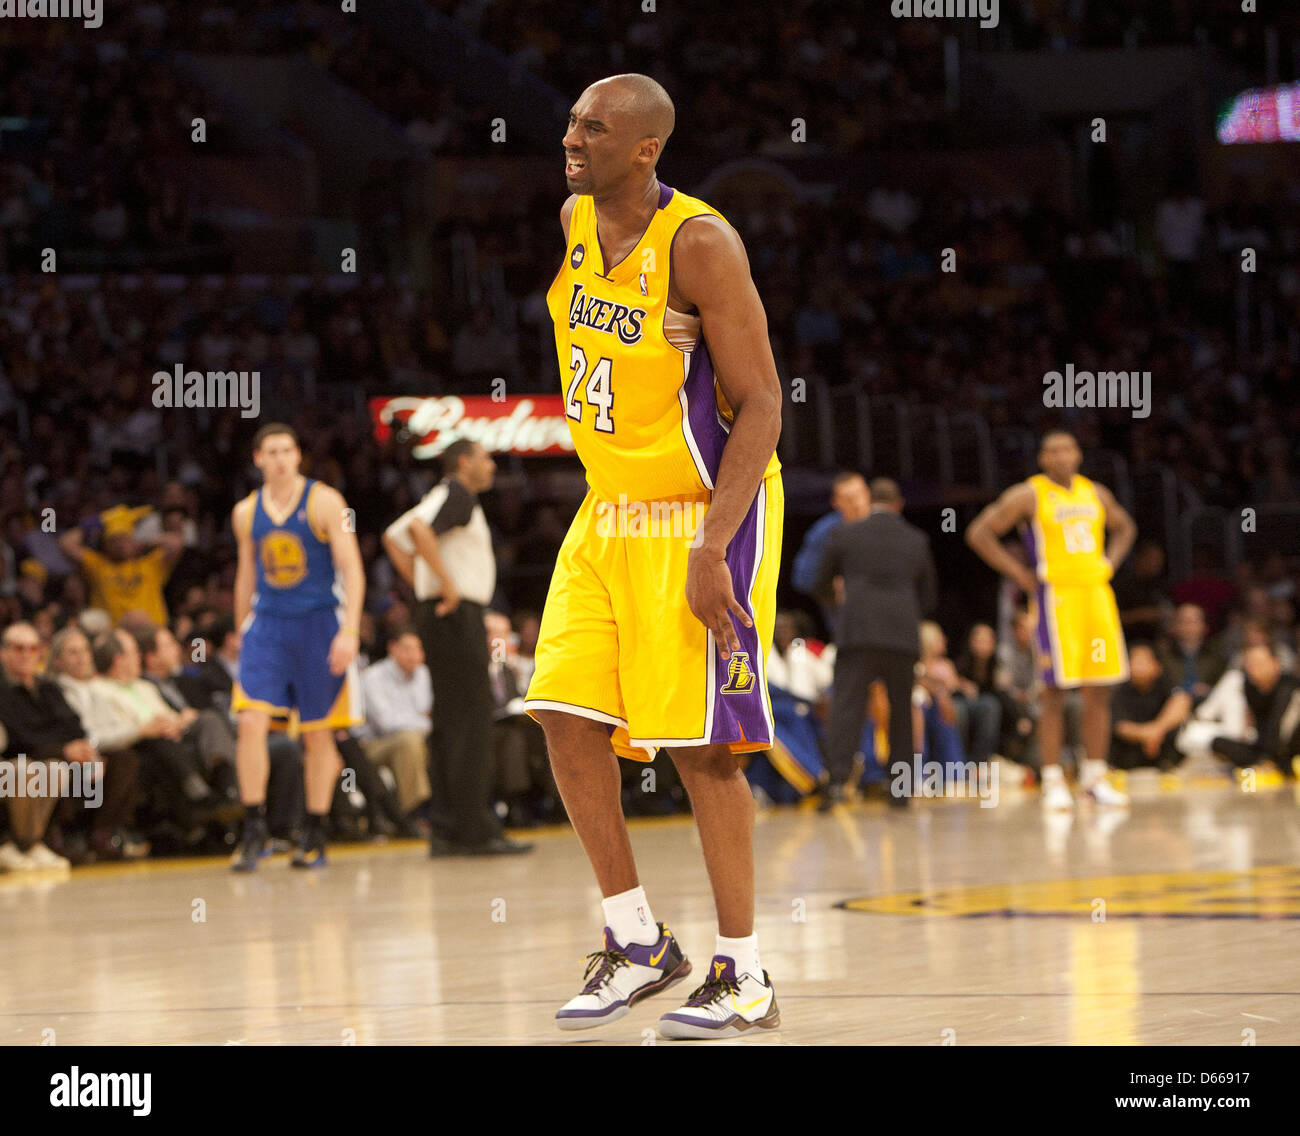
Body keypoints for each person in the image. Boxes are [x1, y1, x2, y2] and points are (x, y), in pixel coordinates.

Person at [522, 74, 784, 1039]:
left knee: (702, 747)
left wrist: (717, 542)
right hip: (609, 507)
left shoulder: (700, 243)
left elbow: (761, 401)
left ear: (646, 150)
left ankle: (744, 971)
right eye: (573, 121)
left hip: (699, 509)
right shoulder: (574, 220)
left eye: (594, 127)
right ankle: (637, 943)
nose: (571, 137)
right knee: (561, 710)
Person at [966, 430, 1135, 809]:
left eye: (1068, 449)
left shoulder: (1096, 493)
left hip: (1095, 595)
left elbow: (1125, 528)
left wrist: (1109, 562)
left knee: (1100, 690)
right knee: (1054, 692)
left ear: (1078, 454)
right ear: (1042, 459)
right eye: (1052, 451)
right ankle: (1053, 777)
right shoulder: (1028, 494)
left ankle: (1095, 776)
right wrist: (1019, 573)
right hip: (1054, 598)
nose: (1061, 456)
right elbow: (979, 533)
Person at [383, 439, 531, 856]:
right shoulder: (458, 494)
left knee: (450, 722)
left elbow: (394, 537)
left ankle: (447, 829)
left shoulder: (439, 496)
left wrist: (425, 587)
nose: (491, 466)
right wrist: (445, 586)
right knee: (473, 720)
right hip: (457, 614)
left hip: (440, 615)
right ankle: (476, 830)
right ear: (464, 462)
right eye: (485, 459)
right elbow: (414, 532)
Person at [229, 423, 365, 870]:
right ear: (258, 459)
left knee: (318, 733)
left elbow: (352, 569)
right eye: (273, 451)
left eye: (289, 449)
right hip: (267, 624)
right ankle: (254, 828)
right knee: (250, 722)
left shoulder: (325, 501)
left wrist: (349, 631)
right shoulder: (246, 512)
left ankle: (314, 829)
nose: (282, 458)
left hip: (318, 623)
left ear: (298, 456)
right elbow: (246, 574)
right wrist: (241, 629)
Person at [816, 477, 937, 810]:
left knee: (847, 708)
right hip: (901, 638)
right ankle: (899, 791)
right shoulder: (917, 539)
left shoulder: (845, 534)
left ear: (871, 503)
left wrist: (839, 600)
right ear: (899, 506)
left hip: (858, 634)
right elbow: (928, 597)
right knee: (900, 712)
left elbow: (819, 582)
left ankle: (837, 784)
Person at [0, 621, 90, 870]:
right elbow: (18, 735)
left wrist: (77, 748)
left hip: (40, 756)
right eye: (19, 648)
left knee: (56, 769)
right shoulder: (3, 688)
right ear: (3, 652)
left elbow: (73, 725)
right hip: (15, 759)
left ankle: (29, 845)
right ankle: (21, 844)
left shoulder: (48, 687)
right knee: (23, 769)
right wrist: (62, 748)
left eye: (32, 648)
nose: (27, 654)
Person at [58, 505, 183, 627]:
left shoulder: (149, 564)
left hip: (152, 631)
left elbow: (176, 543)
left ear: (133, 540)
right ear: (105, 545)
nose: (120, 545)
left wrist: (144, 544)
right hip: (113, 637)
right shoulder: (97, 565)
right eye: (114, 540)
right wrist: (101, 519)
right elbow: (66, 543)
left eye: (125, 539)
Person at [357, 626, 433, 821]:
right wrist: (422, 719)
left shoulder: (424, 674)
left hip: (415, 738)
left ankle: (454, 811)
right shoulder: (373, 677)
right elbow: (387, 724)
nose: (413, 655)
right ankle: (412, 813)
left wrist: (421, 720)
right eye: (407, 649)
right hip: (373, 745)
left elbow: (432, 714)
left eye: (418, 649)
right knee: (409, 742)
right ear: (392, 648)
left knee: (440, 741)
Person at [790, 472, 871, 632]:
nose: (857, 503)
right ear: (836, 502)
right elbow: (802, 578)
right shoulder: (824, 533)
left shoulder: (888, 528)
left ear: (868, 493)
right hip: (846, 625)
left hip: (887, 618)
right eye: (849, 499)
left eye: (859, 495)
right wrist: (830, 587)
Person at [1109, 643, 1192, 771]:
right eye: (1134, 660)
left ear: (1157, 666)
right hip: (1127, 754)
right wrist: (1147, 735)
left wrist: (1157, 729)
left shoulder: (1165, 682)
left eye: (1144, 661)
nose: (1138, 666)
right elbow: (1120, 726)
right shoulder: (1118, 688)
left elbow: (1182, 701)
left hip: (1163, 749)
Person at [954, 622, 1003, 767]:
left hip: (984, 703)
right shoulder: (962, 661)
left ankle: (980, 762)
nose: (983, 645)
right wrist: (961, 685)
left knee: (991, 705)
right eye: (979, 641)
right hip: (960, 700)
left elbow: (1000, 692)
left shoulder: (995, 665)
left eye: (987, 641)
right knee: (958, 709)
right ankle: (958, 760)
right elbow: (952, 685)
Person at [1158, 603, 1226, 704]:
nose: (1189, 626)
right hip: (1169, 706)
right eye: (1183, 621)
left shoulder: (1217, 656)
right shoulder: (1161, 656)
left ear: (1205, 626)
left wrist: (1209, 690)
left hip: (1209, 706)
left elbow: (1227, 687)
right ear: (1174, 626)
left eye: (1194, 621)